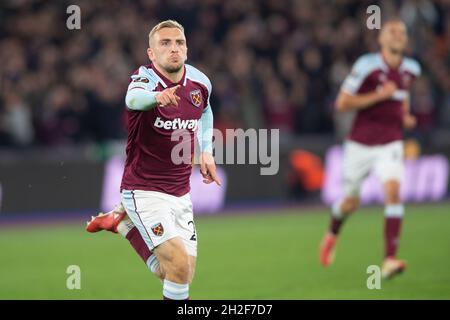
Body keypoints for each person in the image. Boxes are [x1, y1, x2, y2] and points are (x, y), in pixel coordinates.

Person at [86, 20, 220, 300]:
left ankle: (120, 225)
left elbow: (205, 111)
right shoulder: (144, 79)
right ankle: (123, 219)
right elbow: (132, 100)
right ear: (151, 53)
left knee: (177, 272)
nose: (174, 48)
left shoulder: (199, 82)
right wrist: (157, 98)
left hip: (181, 192)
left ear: (187, 48)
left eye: (179, 43)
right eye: (165, 43)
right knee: (179, 267)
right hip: (143, 190)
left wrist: (206, 150)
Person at [319, 18, 421, 279]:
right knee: (351, 202)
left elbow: (403, 97)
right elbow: (342, 103)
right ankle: (332, 233)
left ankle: (389, 259)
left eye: (402, 32)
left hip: (391, 142)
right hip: (360, 144)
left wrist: (406, 116)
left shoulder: (411, 69)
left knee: (394, 191)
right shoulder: (367, 65)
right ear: (381, 40)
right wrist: (380, 95)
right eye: (392, 31)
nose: (398, 35)